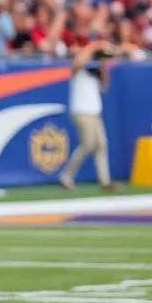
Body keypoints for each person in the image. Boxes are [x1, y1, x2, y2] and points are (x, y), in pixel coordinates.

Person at [59, 42, 118, 191]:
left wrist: (104, 65)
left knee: (101, 145)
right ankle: (67, 175)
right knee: (88, 144)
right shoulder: (78, 71)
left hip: (94, 112)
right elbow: (78, 61)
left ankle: (105, 182)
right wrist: (94, 47)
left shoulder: (95, 73)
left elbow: (105, 86)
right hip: (81, 111)